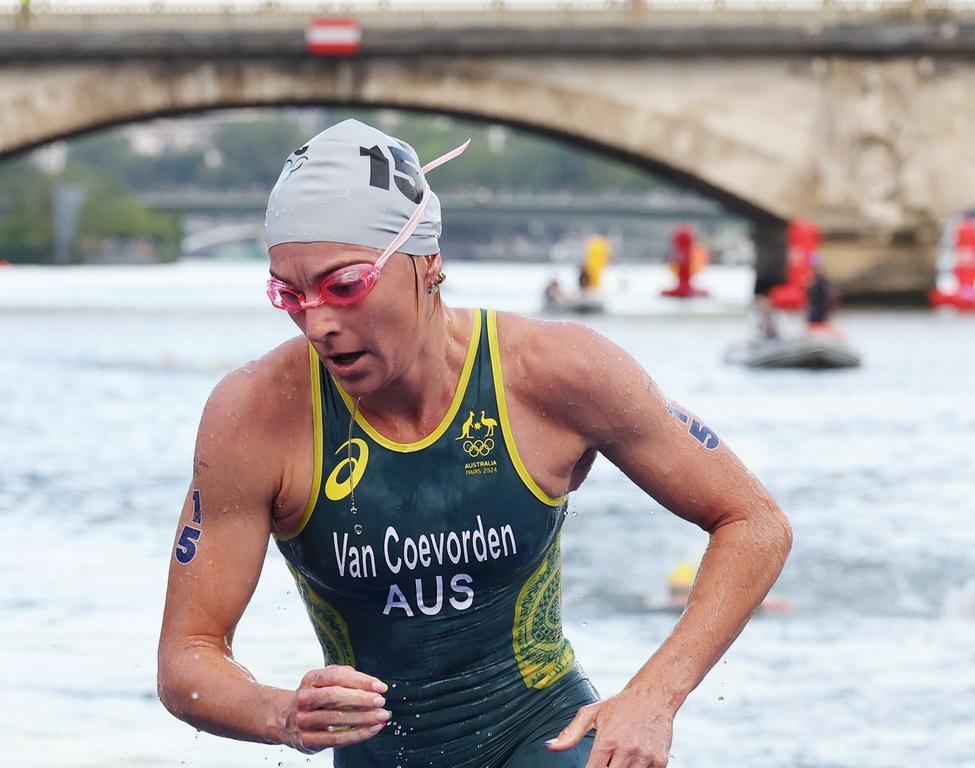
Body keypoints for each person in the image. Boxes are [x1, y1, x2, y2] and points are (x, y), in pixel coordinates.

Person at [158, 119, 792, 768]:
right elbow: (187, 659)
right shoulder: (255, 415)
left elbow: (754, 522)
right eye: (288, 294)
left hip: (547, 742)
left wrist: (654, 698)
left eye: (345, 285)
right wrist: (283, 713)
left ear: (428, 262)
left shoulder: (555, 372)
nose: (318, 322)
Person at [805, 252, 833, 326]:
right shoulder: (813, 280)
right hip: (814, 313)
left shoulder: (821, 281)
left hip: (819, 313)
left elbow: (825, 299)